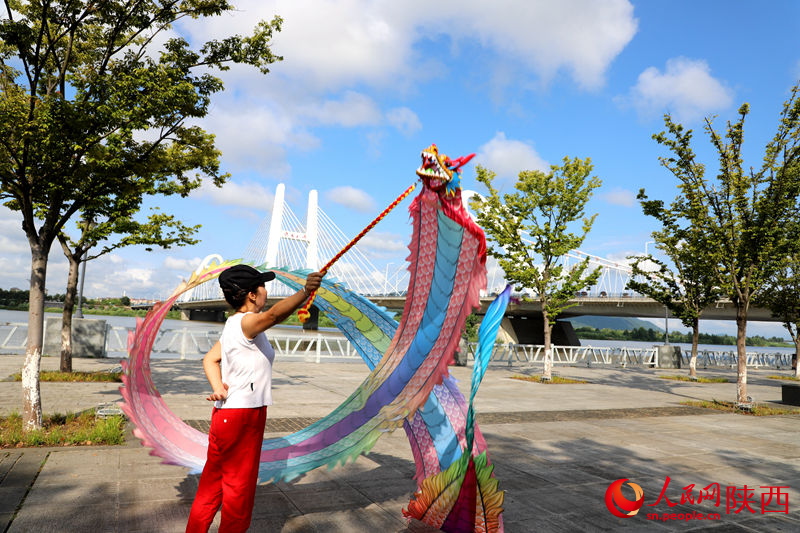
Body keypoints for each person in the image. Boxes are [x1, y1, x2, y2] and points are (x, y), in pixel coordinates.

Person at [186, 265, 323, 533]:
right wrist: (305, 292)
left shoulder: (235, 326)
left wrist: (220, 388)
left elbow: (210, 359)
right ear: (251, 294)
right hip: (242, 416)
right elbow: (274, 314)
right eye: (262, 286)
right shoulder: (246, 322)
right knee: (239, 493)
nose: (266, 291)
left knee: (212, 487)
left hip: (227, 414)